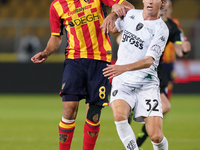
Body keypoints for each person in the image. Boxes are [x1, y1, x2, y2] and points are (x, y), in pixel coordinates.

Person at [31, 0, 133, 150]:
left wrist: (112, 14)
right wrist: (46, 52)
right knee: (69, 109)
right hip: (74, 60)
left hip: (100, 60)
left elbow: (129, 6)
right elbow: (56, 36)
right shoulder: (57, 6)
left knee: (94, 114)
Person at [102, 0, 169, 149]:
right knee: (119, 116)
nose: (150, 1)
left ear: (162, 3)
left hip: (146, 84)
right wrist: (113, 13)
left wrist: (122, 68)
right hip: (123, 81)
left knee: (156, 137)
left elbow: (148, 61)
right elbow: (112, 29)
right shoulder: (131, 15)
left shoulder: (161, 29)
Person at [136, 0, 191, 148]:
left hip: (158, 69)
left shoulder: (173, 26)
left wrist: (184, 50)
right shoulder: (143, 18)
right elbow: (123, 36)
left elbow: (179, 49)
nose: (165, 8)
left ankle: (139, 138)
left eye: (168, 6)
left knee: (162, 108)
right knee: (159, 108)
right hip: (139, 66)